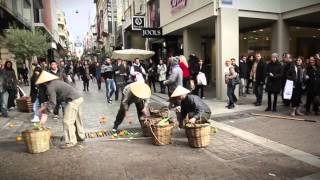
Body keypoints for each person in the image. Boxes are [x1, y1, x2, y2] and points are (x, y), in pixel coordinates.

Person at [37, 71, 85, 149]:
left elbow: (53, 103)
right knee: (77, 119)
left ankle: (70, 142)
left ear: (43, 82)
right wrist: (44, 108)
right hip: (79, 97)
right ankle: (80, 136)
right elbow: (52, 100)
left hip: (73, 100)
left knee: (67, 121)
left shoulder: (50, 87)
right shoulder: (56, 82)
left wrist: (45, 113)